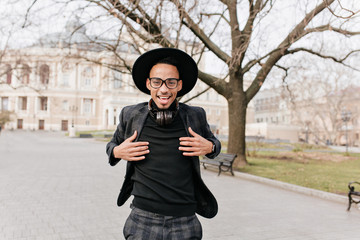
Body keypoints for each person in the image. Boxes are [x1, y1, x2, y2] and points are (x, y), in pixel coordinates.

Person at [106, 48, 221, 240]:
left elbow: (214, 144)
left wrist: (211, 147)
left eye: (171, 82)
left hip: (185, 221)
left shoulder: (195, 115)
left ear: (179, 85)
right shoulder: (130, 115)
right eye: (157, 82)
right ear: (148, 84)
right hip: (142, 220)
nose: (164, 89)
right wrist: (118, 151)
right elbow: (111, 146)